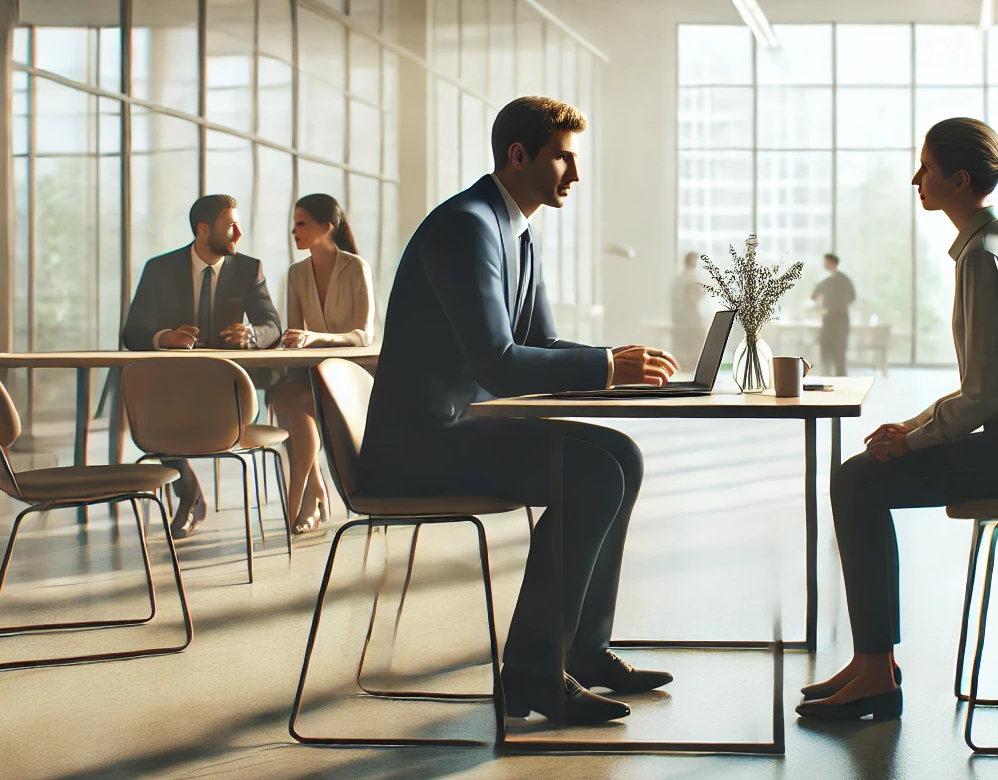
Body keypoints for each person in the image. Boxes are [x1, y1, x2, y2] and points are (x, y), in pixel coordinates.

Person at [360, 96, 679, 726]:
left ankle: (584, 651)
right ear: (518, 155)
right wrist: (608, 369)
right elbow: (499, 362)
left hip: (462, 430)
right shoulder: (467, 225)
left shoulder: (515, 232)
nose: (575, 175)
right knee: (592, 473)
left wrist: (618, 361)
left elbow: (542, 343)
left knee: (621, 455)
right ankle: (533, 674)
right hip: (420, 446)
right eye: (563, 158)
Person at [797, 118, 998, 723]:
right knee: (862, 476)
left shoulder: (984, 256)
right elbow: (983, 388)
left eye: (925, 168)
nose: (915, 179)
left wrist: (916, 438)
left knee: (857, 482)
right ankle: (874, 661)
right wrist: (915, 429)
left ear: (957, 179)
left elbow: (984, 393)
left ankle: (876, 668)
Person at [121, 194, 284, 539]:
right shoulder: (160, 269)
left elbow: (272, 325)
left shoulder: (248, 269)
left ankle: (187, 494)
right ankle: (188, 490)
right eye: (230, 226)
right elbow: (132, 331)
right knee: (152, 409)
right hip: (173, 390)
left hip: (227, 393)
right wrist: (166, 338)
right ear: (203, 229)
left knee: (161, 411)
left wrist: (252, 335)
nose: (238, 234)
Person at [270, 194, 376, 534]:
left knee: (299, 403)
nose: (293, 230)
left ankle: (300, 492)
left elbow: (363, 335)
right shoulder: (296, 273)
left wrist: (316, 338)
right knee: (280, 397)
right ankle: (312, 486)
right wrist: (296, 339)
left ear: (327, 227)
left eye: (302, 223)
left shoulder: (356, 267)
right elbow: (295, 333)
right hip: (308, 367)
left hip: (348, 373)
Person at [812, 253, 856, 376]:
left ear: (830, 262)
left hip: (835, 319)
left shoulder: (830, 281)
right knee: (834, 352)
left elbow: (814, 296)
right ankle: (833, 378)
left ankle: (834, 378)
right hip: (836, 319)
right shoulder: (838, 280)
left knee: (835, 352)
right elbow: (852, 296)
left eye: (825, 261)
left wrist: (828, 306)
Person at [671, 251, 709, 367]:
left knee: (697, 340)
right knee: (688, 343)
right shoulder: (684, 280)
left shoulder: (693, 278)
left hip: (692, 317)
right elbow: (682, 300)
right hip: (686, 318)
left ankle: (692, 364)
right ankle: (688, 364)